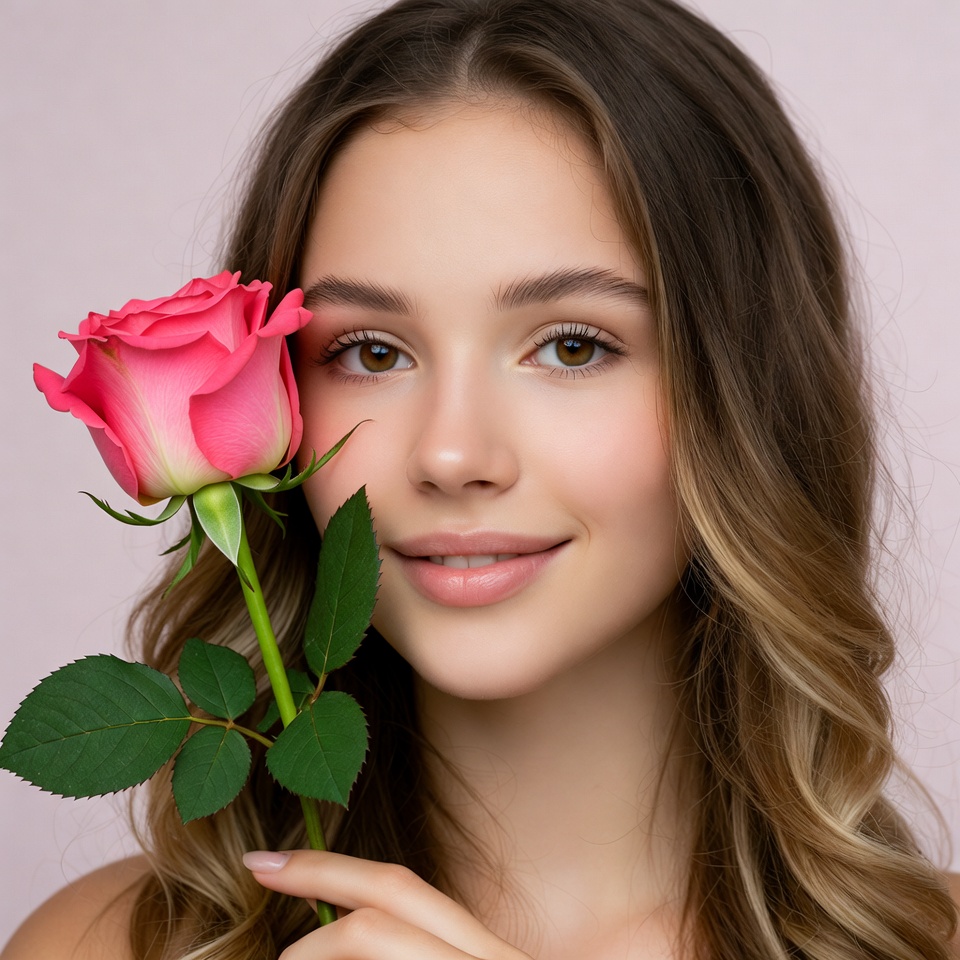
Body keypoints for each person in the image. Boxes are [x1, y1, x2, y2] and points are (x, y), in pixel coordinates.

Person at [3, 0, 958, 957]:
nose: (452, 456)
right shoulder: (97, 946)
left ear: (748, 388)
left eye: (573, 346)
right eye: (372, 353)